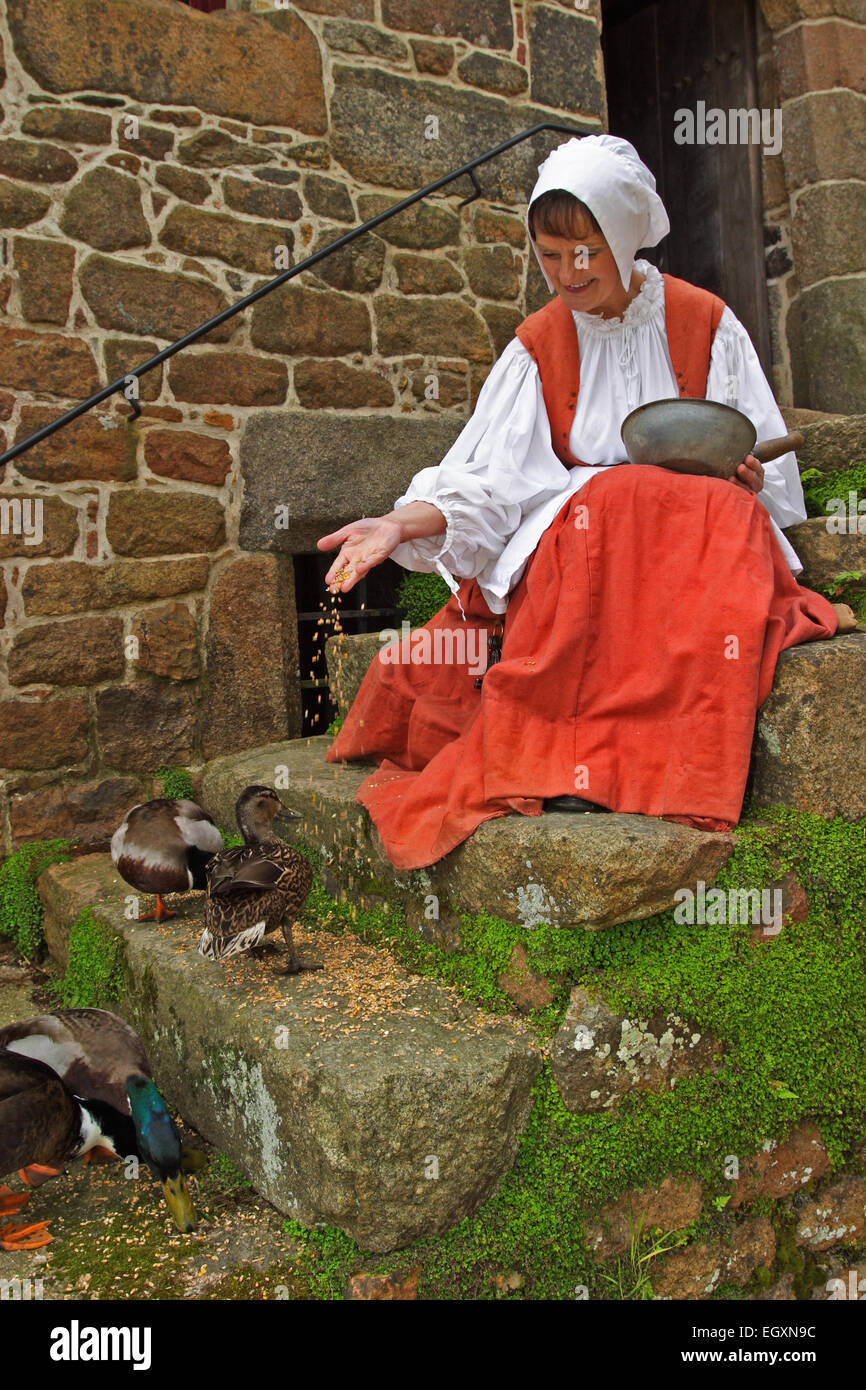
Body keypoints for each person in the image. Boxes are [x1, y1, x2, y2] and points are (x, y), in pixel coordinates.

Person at [317, 135, 844, 872]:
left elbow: (766, 473)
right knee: (612, 500)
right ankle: (569, 764)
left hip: (694, 544)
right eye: (551, 256)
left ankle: (665, 768)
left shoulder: (706, 323)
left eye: (587, 252)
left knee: (701, 511)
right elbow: (494, 477)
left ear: (623, 238)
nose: (569, 273)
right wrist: (402, 521)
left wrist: (747, 476)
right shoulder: (539, 344)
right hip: (586, 546)